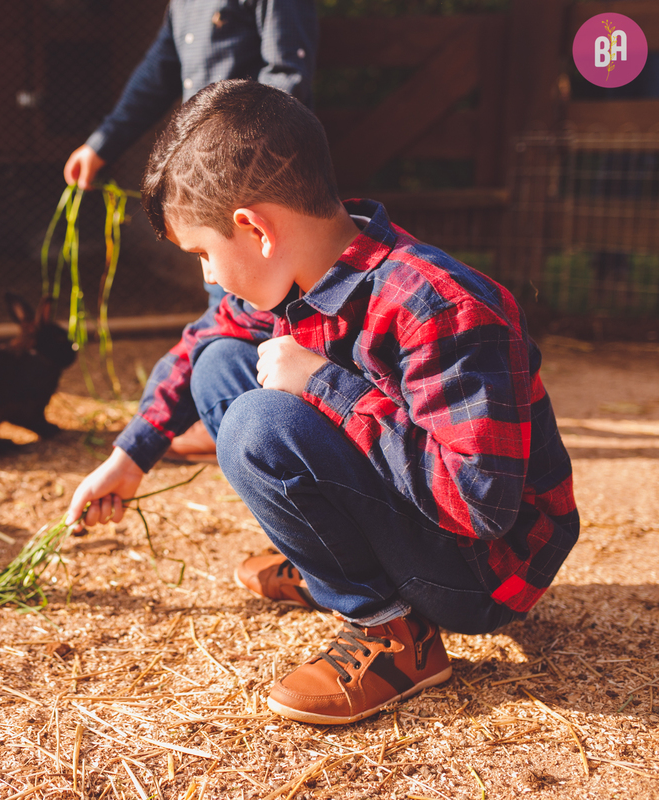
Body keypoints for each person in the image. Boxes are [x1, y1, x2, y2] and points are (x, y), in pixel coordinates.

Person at [64, 79, 579, 726]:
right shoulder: (297, 275)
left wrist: (322, 385)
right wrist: (131, 455)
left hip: (481, 571)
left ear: (254, 230)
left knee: (260, 422)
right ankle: (337, 562)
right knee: (219, 365)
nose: (208, 277)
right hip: (417, 518)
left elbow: (480, 503)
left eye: (203, 253)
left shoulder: (440, 307)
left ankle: (394, 636)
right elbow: (205, 338)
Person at [64, 0, 318, 463]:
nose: (203, 270)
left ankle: (279, 431)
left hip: (248, 175)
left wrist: (243, 168)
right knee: (222, 323)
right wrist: (104, 142)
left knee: (260, 315)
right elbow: (158, 69)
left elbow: (287, 78)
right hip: (209, 181)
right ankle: (227, 416)